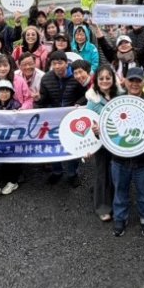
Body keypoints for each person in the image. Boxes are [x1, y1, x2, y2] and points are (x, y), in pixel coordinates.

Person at [108, 67, 144, 237]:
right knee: (120, 192)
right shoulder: (117, 101)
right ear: (125, 82)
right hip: (119, 159)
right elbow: (108, 127)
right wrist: (98, 132)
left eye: (138, 81)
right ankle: (120, 218)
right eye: (131, 80)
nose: (134, 84)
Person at [38, 51, 87, 187]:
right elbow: (44, 99)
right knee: (54, 145)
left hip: (73, 117)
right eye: (54, 64)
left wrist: (79, 103)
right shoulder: (46, 78)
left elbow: (86, 94)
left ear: (66, 63)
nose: (57, 66)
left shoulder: (76, 76)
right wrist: (38, 99)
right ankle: (57, 171)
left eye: (60, 63)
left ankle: (72, 173)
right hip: (54, 119)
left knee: (72, 145)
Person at [86, 65, 121, 222]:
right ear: (96, 81)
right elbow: (87, 127)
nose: (105, 81)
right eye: (101, 78)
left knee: (118, 173)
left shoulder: (121, 96)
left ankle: (118, 203)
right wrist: (93, 132)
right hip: (101, 144)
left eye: (108, 78)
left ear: (113, 79)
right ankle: (102, 206)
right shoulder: (92, 101)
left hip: (119, 142)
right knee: (103, 173)